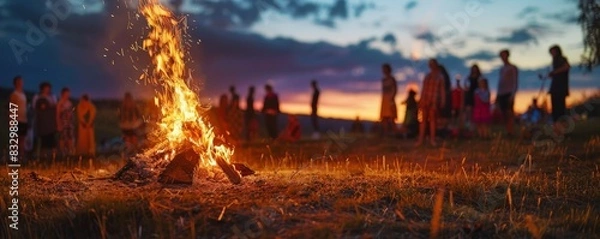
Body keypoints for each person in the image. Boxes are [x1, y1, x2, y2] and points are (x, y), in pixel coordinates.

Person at [416, 59, 446, 147]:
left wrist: (443, 100)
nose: (431, 66)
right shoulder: (427, 76)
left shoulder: (440, 77)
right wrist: (421, 99)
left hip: (434, 100)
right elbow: (424, 89)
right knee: (423, 119)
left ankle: (432, 140)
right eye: (430, 64)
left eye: (433, 64)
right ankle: (421, 139)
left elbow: (442, 90)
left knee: (433, 119)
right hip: (425, 99)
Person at [496, 49, 519, 137]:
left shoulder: (513, 68)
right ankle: (507, 131)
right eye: (501, 56)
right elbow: (500, 82)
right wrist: (498, 95)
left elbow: (515, 82)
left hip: (509, 93)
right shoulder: (501, 69)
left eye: (504, 55)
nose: (502, 57)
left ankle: (511, 131)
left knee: (509, 112)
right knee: (504, 113)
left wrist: (513, 94)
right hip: (501, 93)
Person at [547, 45, 570, 126]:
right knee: (556, 110)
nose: (551, 54)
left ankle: (561, 127)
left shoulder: (561, 59)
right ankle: (557, 127)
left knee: (559, 109)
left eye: (553, 52)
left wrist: (554, 72)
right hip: (556, 88)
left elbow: (566, 67)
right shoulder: (555, 61)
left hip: (560, 88)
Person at [32, 82, 58, 155]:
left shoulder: (52, 96)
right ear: (42, 89)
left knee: (52, 140)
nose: (47, 90)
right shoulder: (37, 97)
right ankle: (43, 156)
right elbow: (34, 107)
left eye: (48, 88)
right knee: (43, 141)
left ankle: (52, 157)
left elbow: (55, 106)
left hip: (50, 122)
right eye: (46, 88)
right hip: (42, 122)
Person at [9, 76, 28, 163]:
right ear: (16, 83)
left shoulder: (23, 94)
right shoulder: (14, 94)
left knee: (22, 139)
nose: (21, 83)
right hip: (16, 120)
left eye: (21, 81)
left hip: (23, 120)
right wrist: (12, 120)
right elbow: (12, 107)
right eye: (19, 81)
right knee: (16, 139)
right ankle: (14, 158)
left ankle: (21, 157)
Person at [379, 63, 397, 136]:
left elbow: (395, 89)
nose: (384, 71)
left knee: (392, 116)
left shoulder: (392, 79)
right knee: (384, 117)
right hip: (384, 100)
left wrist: (392, 98)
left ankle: (394, 133)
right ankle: (386, 133)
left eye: (385, 69)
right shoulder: (383, 80)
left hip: (390, 99)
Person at [56, 87, 75, 156]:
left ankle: (70, 152)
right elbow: (57, 115)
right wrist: (59, 124)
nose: (67, 95)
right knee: (62, 138)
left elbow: (72, 113)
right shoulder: (60, 103)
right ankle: (62, 153)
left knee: (70, 137)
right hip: (63, 123)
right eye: (66, 94)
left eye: (68, 94)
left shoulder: (69, 103)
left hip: (69, 124)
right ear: (62, 94)